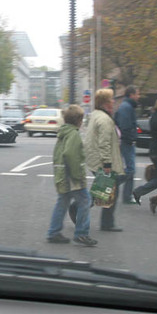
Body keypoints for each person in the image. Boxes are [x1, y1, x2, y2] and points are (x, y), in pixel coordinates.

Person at [46, 105, 97, 246]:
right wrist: (78, 175)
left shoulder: (63, 132)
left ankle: (53, 232)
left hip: (62, 175)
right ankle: (81, 234)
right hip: (72, 178)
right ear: (78, 120)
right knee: (85, 201)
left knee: (62, 203)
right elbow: (70, 154)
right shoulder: (74, 134)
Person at [84, 88, 125, 232]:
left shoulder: (96, 115)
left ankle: (80, 208)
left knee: (104, 189)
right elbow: (104, 143)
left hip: (95, 158)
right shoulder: (105, 119)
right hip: (103, 160)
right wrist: (107, 163)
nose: (113, 102)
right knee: (110, 190)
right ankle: (106, 223)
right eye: (111, 99)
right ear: (105, 103)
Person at [114, 86, 140, 205]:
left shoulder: (127, 107)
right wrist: (130, 139)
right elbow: (125, 126)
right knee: (130, 169)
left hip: (126, 141)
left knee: (131, 169)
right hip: (126, 142)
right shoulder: (126, 107)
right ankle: (114, 183)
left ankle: (127, 196)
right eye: (137, 94)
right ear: (131, 95)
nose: (138, 96)